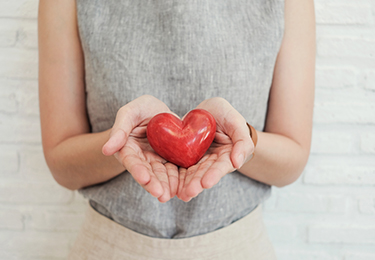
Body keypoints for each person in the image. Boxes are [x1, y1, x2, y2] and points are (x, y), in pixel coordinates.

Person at [38, 0, 315, 259]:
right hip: (109, 248)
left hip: (238, 248)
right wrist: (121, 143)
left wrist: (242, 138)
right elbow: (61, 164)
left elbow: (292, 160)